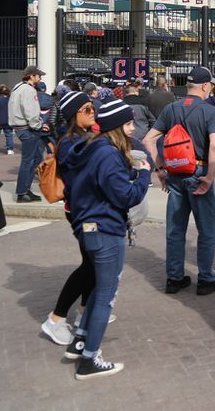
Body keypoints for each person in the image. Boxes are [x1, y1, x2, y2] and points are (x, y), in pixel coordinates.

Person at [61, 99, 150, 379]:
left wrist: (131, 173)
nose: (133, 128)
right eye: (128, 123)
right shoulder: (108, 153)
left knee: (99, 290)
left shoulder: (92, 148)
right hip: (104, 229)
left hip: (90, 226)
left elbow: (103, 181)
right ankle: (90, 359)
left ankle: (79, 341)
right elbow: (126, 195)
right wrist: (144, 176)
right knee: (105, 297)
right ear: (116, 128)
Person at [144, 66, 215, 296]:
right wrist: (209, 177)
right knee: (207, 230)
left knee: (175, 229)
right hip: (198, 172)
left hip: (175, 174)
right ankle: (206, 279)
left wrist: (160, 169)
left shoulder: (171, 109)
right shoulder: (210, 112)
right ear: (205, 86)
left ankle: (174, 278)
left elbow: (148, 139)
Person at [40, 91, 96, 346]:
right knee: (90, 266)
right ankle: (56, 319)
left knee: (92, 263)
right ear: (75, 114)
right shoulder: (71, 143)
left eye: (93, 107)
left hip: (84, 209)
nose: (92, 112)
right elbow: (82, 177)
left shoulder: (79, 138)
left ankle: (84, 312)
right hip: (81, 211)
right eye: (87, 109)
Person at [10, 65, 50, 203]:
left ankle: (25, 189)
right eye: (38, 75)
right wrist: (38, 125)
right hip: (28, 128)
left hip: (22, 127)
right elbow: (31, 111)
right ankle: (22, 191)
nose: (40, 77)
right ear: (31, 76)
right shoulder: (29, 90)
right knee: (29, 161)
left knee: (35, 158)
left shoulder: (18, 87)